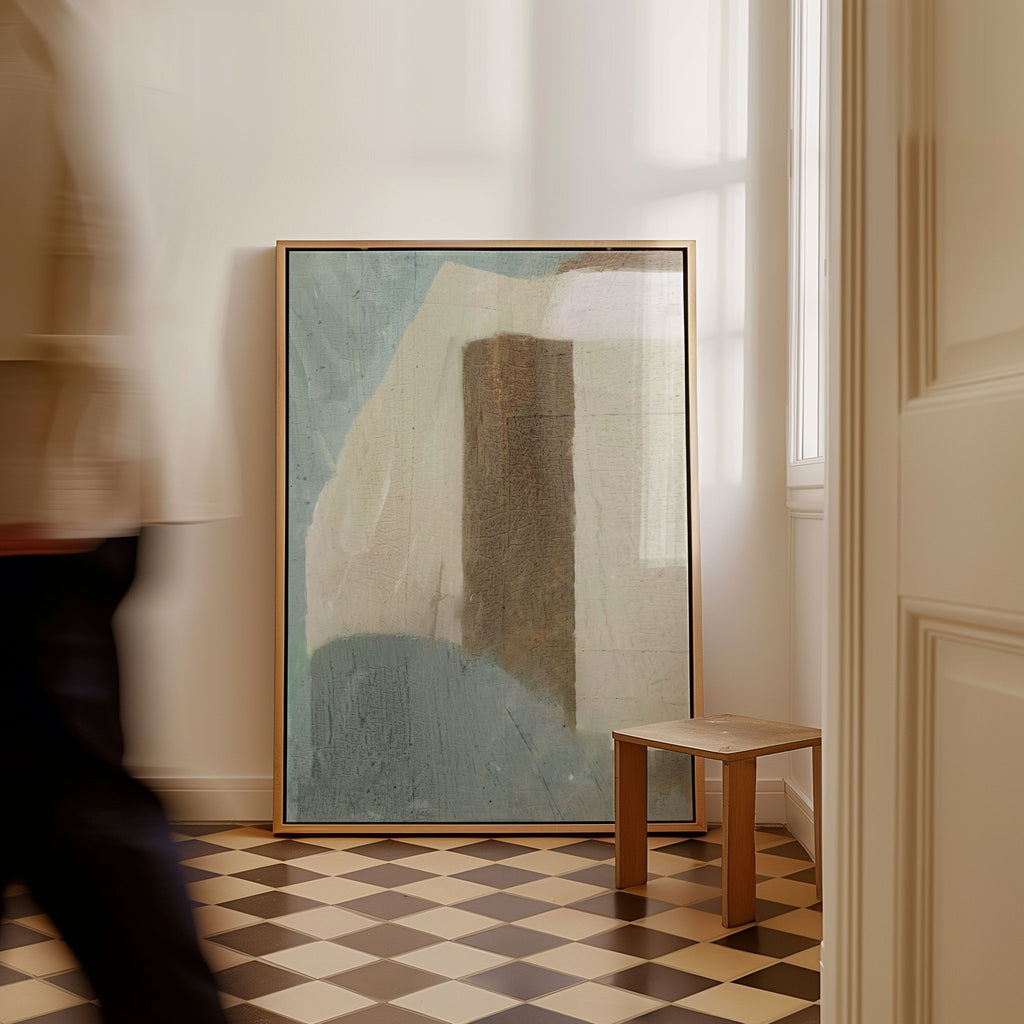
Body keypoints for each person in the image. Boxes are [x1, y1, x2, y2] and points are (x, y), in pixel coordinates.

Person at [0, 2, 234, 1020]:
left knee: (75, 804)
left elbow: (105, 234)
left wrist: (59, 472)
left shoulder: (44, 25)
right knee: (59, 792)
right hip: (60, 473)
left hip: (40, 482)